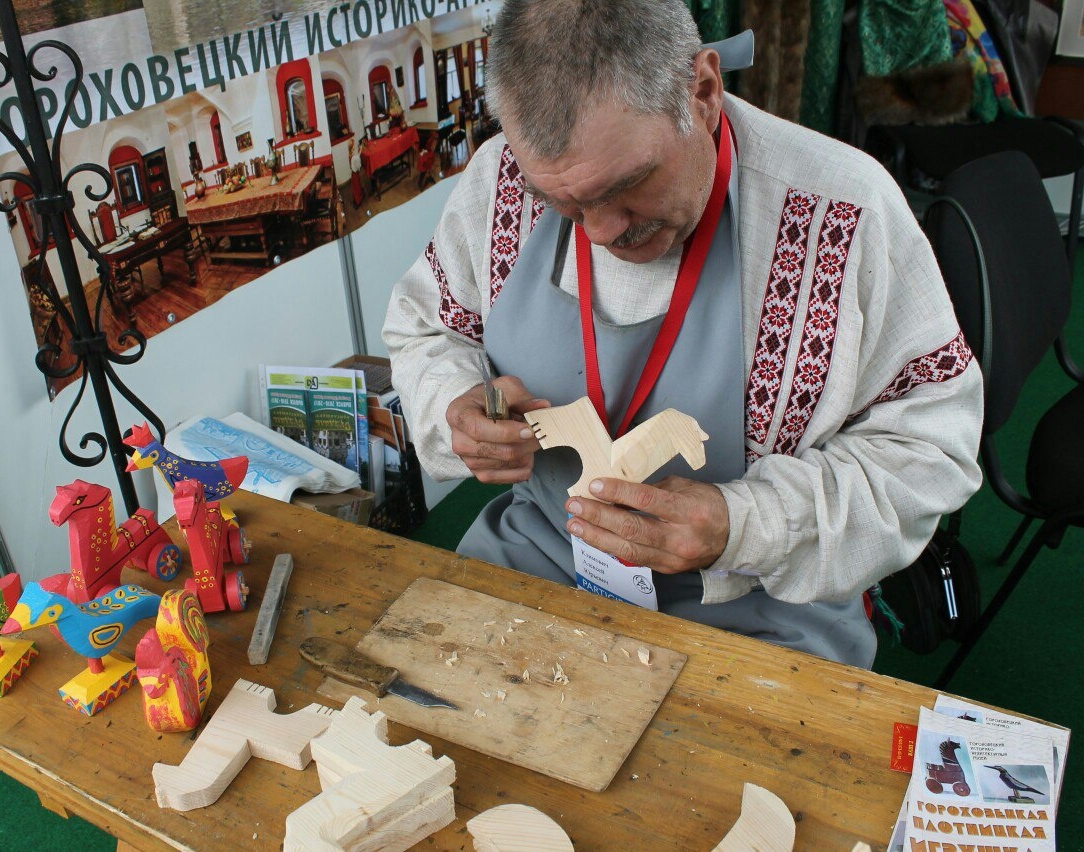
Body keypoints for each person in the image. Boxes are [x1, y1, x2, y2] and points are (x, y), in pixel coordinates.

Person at [382, 0, 983, 667]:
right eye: (566, 206)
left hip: (758, 608)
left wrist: (748, 525)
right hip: (544, 557)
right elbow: (429, 328)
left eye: (629, 185)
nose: (603, 233)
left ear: (702, 92)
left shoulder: (841, 213)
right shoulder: (501, 181)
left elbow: (931, 451)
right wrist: (453, 404)